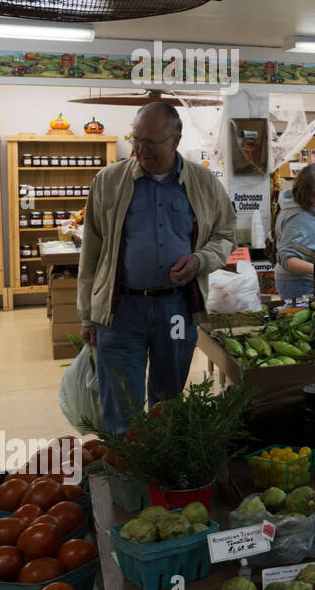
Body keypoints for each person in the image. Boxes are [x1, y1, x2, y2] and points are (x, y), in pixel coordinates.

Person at [78, 102, 236, 434]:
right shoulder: (108, 181)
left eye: (150, 142)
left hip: (177, 309)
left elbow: (225, 235)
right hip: (119, 311)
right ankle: (125, 481)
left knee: (167, 407)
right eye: (136, 139)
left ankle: (160, 482)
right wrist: (87, 315)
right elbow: (90, 253)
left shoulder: (204, 182)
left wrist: (200, 260)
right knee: (120, 412)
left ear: (175, 140)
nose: (140, 150)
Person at [274, 164, 315, 301]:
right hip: (298, 283)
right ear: (303, 191)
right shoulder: (295, 218)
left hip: (309, 280)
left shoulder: (310, 207)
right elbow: (288, 258)